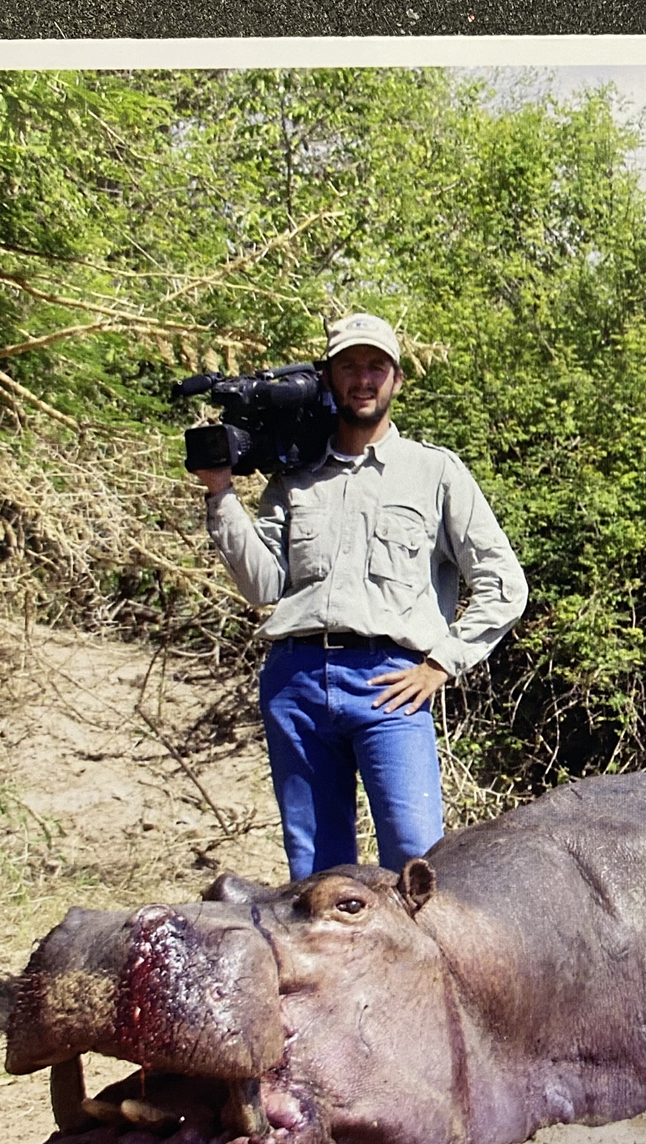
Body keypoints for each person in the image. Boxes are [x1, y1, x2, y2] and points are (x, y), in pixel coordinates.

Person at [197, 313, 527, 881]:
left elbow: (504, 583)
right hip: (295, 683)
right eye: (349, 366)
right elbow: (263, 587)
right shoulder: (293, 479)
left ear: (397, 379)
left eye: (377, 366)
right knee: (317, 874)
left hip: (390, 687)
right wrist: (221, 492)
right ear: (329, 378)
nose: (364, 379)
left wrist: (442, 663)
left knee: (418, 865)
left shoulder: (435, 472)